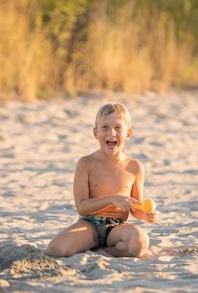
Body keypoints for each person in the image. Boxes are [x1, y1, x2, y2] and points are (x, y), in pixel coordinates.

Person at [46, 102, 157, 258]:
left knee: (139, 242)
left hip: (117, 228)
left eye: (118, 128)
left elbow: (135, 207)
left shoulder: (135, 167)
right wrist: (111, 199)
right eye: (105, 127)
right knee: (55, 250)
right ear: (95, 132)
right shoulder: (86, 164)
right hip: (89, 225)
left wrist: (144, 215)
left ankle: (100, 252)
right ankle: (92, 245)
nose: (111, 133)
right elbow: (82, 207)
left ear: (128, 133)